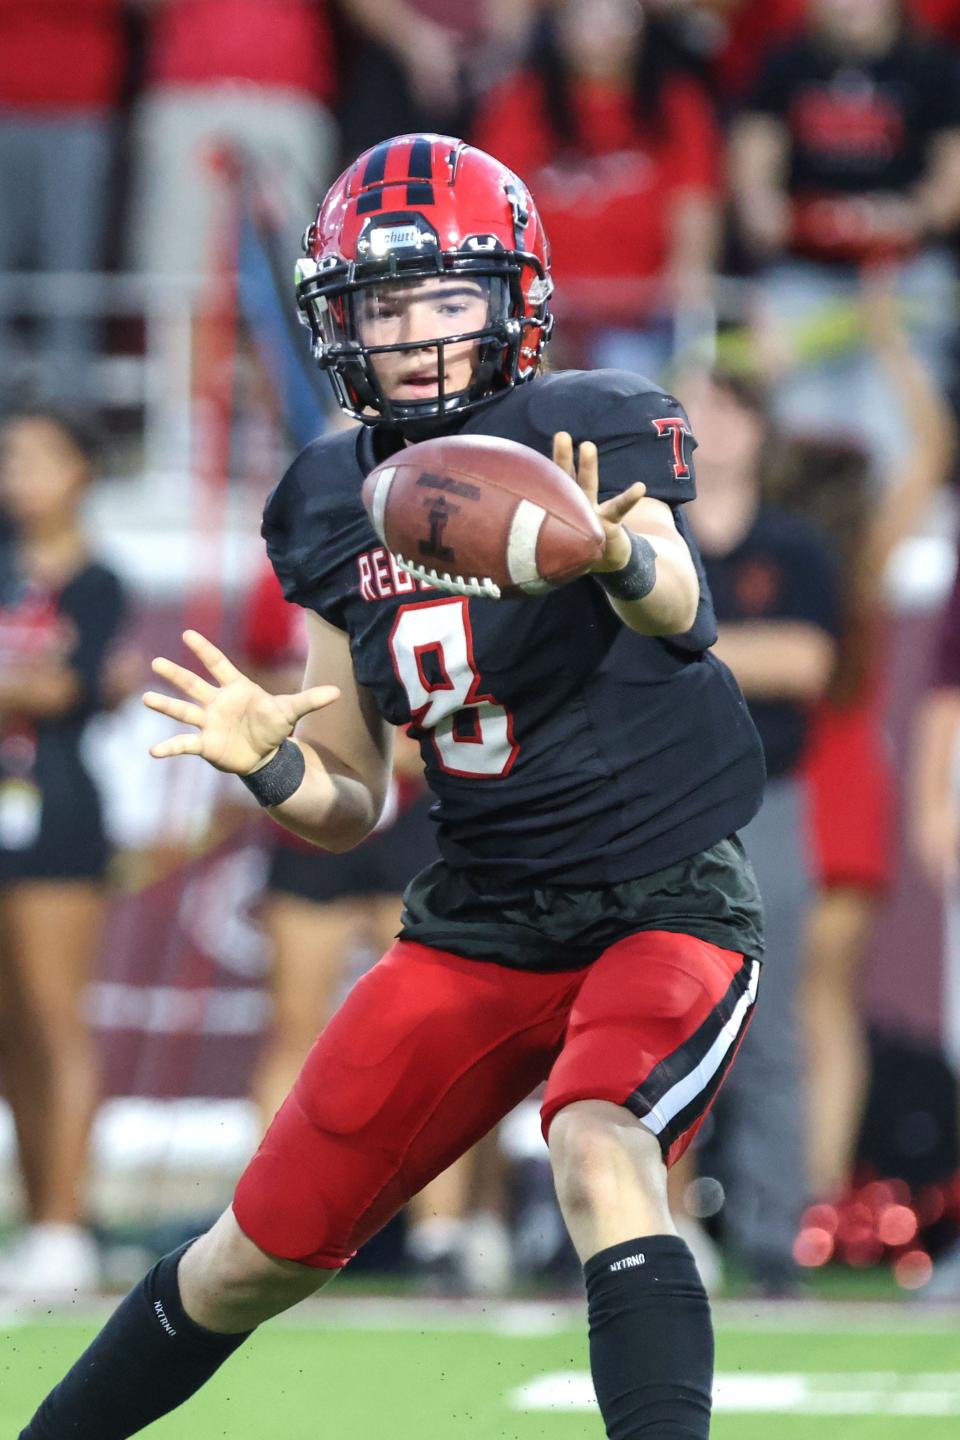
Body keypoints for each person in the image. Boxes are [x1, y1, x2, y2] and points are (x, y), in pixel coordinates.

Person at [18, 133, 765, 1440]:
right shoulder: (326, 499)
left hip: (663, 901)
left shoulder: (591, 425)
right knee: (250, 1253)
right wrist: (268, 759)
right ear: (338, 322)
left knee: (598, 1149)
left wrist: (607, 554)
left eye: (445, 296)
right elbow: (355, 799)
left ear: (512, 302)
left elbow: (685, 608)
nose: (415, 332)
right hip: (477, 918)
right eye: (384, 304)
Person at [683, 370, 841, 1295]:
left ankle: (774, 1235)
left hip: (769, 799)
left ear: (758, 426)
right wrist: (741, 650)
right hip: (664, 802)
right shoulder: (642, 532)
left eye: (729, 405)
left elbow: (809, 662)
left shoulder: (795, 545)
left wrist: (686, 642)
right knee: (649, 1020)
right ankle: (641, 1230)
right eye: (694, 405)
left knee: (772, 1025)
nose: (712, 425)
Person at [0, 406, 128, 1299]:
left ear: (82, 470)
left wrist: (47, 687)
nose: (20, 472)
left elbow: (69, 688)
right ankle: (33, 1208)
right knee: (10, 1032)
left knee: (55, 1018)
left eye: (41, 456)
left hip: (58, 808)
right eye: (11, 456)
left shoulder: (98, 580)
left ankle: (65, 1221)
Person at [730, 0, 960, 471]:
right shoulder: (787, 62)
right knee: (801, 418)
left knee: (897, 421)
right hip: (806, 271)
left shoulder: (931, 65)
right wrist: (762, 208)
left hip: (903, 275)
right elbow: (754, 154)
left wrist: (911, 213)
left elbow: (951, 175)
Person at [472, 0, 723, 379]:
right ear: (561, 26)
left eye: (618, 14)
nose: (603, 30)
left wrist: (685, 285)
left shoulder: (677, 105)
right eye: (588, 14)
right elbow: (490, 212)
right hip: (542, 315)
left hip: (640, 322)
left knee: (629, 373)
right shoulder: (519, 104)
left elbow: (695, 208)